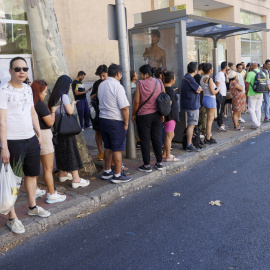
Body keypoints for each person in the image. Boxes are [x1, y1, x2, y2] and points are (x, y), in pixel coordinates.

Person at [0, 57, 50, 234]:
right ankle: (12, 218)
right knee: (13, 180)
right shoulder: (4, 91)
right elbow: (2, 121)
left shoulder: (28, 89)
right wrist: (4, 147)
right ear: (10, 71)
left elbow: (32, 113)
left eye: (25, 68)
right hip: (13, 142)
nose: (22, 71)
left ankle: (32, 206)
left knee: (32, 175)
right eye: (18, 68)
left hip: (30, 139)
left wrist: (38, 134)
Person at [48, 75, 90, 188]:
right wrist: (73, 104)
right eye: (69, 85)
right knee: (71, 152)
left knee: (61, 152)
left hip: (57, 130)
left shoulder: (53, 96)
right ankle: (76, 179)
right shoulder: (64, 96)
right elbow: (70, 111)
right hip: (67, 130)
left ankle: (63, 173)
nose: (70, 87)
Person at [31, 80, 66, 204]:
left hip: (32, 135)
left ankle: (34, 190)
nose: (46, 94)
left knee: (35, 167)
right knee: (48, 168)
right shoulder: (40, 105)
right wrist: (53, 111)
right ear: (38, 92)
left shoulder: (30, 103)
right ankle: (51, 194)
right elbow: (50, 122)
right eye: (44, 92)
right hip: (44, 136)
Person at [98, 64, 131, 183]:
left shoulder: (102, 84)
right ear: (118, 74)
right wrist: (126, 122)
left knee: (108, 146)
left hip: (103, 119)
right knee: (117, 148)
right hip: (115, 120)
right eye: (121, 74)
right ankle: (117, 175)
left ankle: (107, 171)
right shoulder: (118, 86)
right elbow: (125, 108)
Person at [132, 64, 164, 172]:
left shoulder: (140, 83)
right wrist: (163, 114)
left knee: (145, 140)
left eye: (141, 74)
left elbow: (136, 101)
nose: (140, 76)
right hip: (157, 114)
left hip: (144, 115)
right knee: (156, 138)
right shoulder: (159, 82)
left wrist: (133, 114)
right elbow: (164, 98)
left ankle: (146, 165)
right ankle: (159, 163)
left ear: (146, 74)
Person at [181, 62, 202, 152]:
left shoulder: (185, 77)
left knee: (191, 124)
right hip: (192, 105)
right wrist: (199, 89)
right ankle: (189, 144)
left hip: (188, 103)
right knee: (191, 125)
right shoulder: (190, 79)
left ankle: (189, 143)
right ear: (195, 70)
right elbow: (198, 89)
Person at [90, 65, 108, 161]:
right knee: (98, 132)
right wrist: (98, 92)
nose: (102, 78)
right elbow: (91, 97)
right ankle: (100, 152)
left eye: (103, 75)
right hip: (98, 112)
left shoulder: (112, 82)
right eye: (100, 76)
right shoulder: (97, 83)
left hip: (109, 112)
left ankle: (107, 152)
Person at [200, 63, 220, 144]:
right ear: (210, 70)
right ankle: (208, 138)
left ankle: (207, 136)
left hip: (205, 97)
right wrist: (218, 89)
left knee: (208, 119)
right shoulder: (209, 79)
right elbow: (213, 92)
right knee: (210, 120)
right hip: (210, 99)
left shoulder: (202, 78)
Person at [162, 71, 180, 161]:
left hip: (167, 116)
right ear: (172, 80)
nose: (175, 79)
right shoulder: (170, 91)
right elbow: (169, 104)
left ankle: (165, 153)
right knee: (170, 136)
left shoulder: (164, 89)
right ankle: (168, 156)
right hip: (170, 116)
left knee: (168, 135)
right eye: (175, 77)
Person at [245, 61, 264, 129]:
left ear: (252, 66)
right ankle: (258, 122)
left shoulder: (250, 73)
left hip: (252, 93)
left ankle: (255, 123)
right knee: (258, 108)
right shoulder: (262, 72)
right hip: (261, 93)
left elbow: (247, 84)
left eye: (250, 66)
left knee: (251, 108)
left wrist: (247, 93)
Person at [215, 61, 228, 131]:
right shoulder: (219, 74)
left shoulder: (223, 74)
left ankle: (221, 123)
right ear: (226, 67)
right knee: (219, 110)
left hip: (223, 94)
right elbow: (216, 84)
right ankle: (220, 124)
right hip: (220, 94)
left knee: (221, 109)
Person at [194, 63, 206, 136]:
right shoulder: (200, 77)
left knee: (198, 116)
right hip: (201, 99)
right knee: (203, 116)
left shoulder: (193, 77)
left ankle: (198, 131)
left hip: (196, 99)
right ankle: (202, 131)